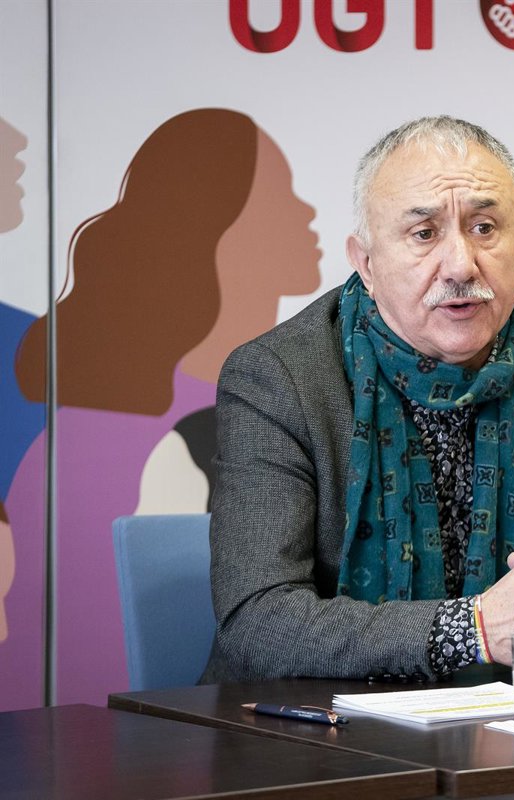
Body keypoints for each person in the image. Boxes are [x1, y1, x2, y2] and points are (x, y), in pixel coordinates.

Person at [202, 116, 514, 683]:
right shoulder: (279, 378)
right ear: (366, 263)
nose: (460, 265)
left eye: (484, 228)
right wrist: (474, 629)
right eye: (424, 234)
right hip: (315, 724)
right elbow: (258, 620)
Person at [3, 108, 319, 708]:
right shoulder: (164, 438)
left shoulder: (264, 401)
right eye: (281, 194)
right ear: (215, 225)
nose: (308, 212)